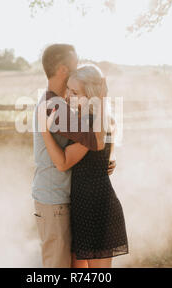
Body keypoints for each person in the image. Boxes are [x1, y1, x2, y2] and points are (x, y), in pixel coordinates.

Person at [32, 44, 116, 268]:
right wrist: (102, 98)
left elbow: (99, 138)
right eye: (74, 65)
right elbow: (97, 140)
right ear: (62, 70)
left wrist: (104, 160)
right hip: (55, 200)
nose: (77, 68)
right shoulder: (54, 106)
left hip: (63, 199)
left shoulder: (59, 103)